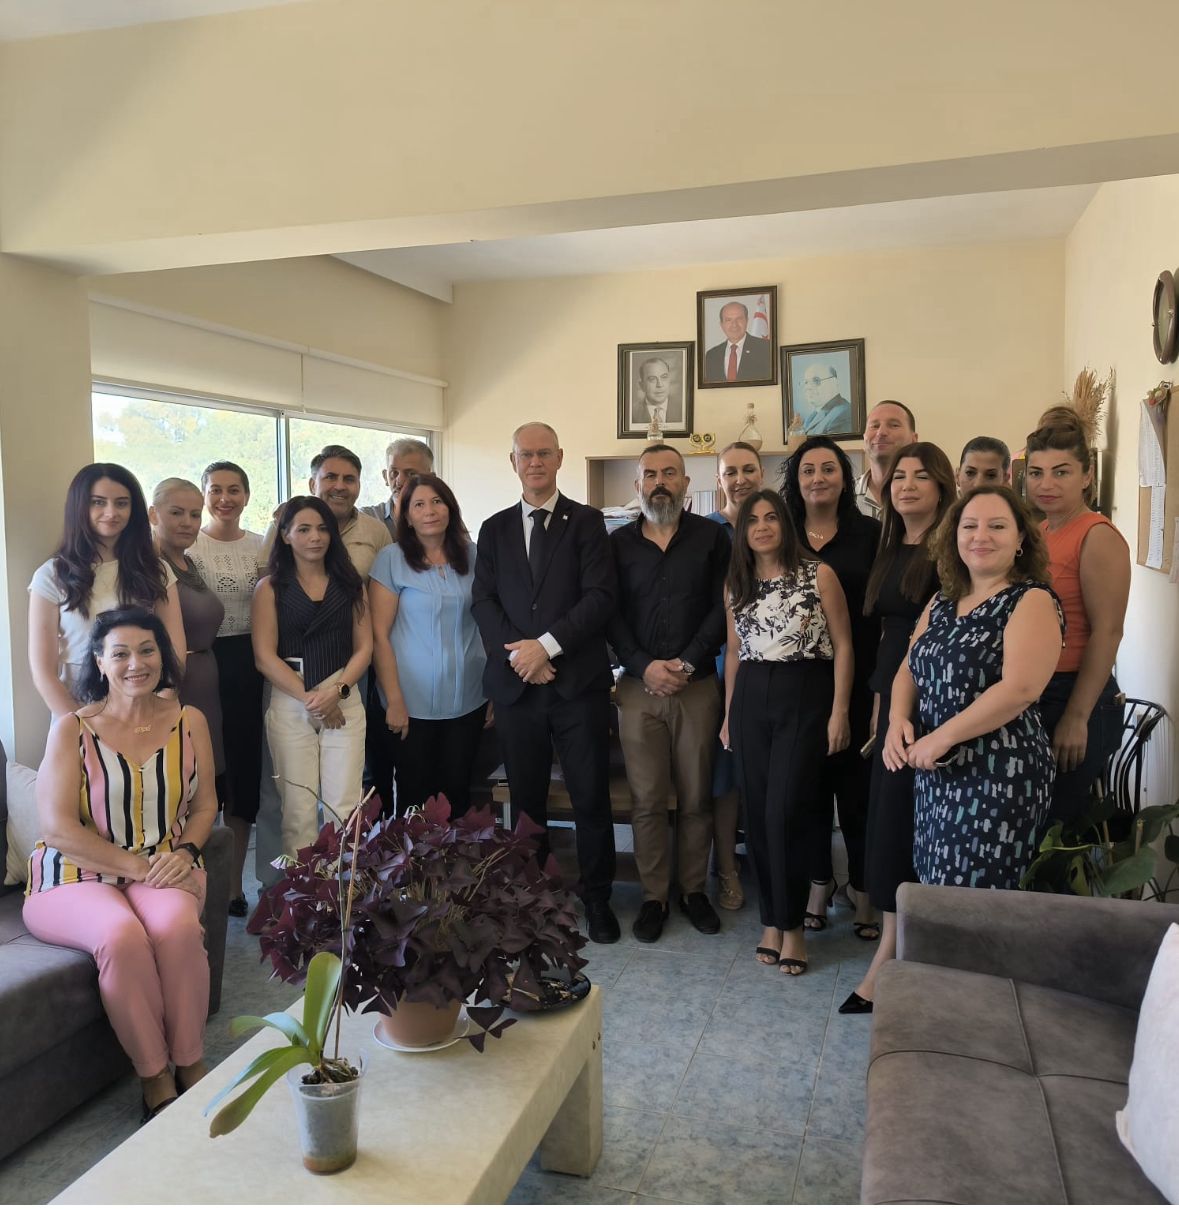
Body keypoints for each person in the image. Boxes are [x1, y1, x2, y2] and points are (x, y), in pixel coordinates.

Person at [23, 607, 217, 1120]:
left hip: (164, 865)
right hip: (72, 874)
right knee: (120, 935)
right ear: (100, 662)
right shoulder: (72, 728)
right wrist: (137, 868)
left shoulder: (189, 722)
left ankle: (190, 1062)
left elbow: (205, 807)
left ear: (163, 657)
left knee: (177, 929)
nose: (136, 663)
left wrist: (185, 852)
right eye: (121, 653)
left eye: (147, 650)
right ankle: (154, 1077)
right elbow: (57, 829)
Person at [471, 422, 620, 945]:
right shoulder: (493, 529)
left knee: (589, 798)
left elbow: (600, 597)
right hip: (518, 688)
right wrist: (522, 656)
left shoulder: (588, 522)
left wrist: (547, 647)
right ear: (513, 462)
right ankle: (533, 901)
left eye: (543, 453)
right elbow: (484, 602)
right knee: (527, 801)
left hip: (577, 685)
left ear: (559, 458)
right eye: (525, 454)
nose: (534, 462)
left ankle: (597, 898)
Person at [883, 486, 1063, 891]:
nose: (981, 536)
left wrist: (941, 738)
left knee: (979, 896)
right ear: (954, 536)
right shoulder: (942, 601)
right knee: (937, 881)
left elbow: (1020, 689)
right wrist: (897, 718)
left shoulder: (1030, 599)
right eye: (969, 526)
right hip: (937, 769)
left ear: (1020, 538)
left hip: (998, 775)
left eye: (997, 526)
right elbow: (908, 668)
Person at [840, 442, 956, 1015]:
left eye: (920, 476)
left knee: (913, 830)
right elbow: (889, 635)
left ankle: (896, 960)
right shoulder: (892, 543)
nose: (906, 485)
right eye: (899, 476)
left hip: (933, 703)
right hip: (892, 696)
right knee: (888, 828)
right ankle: (892, 954)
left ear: (942, 486)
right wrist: (880, 701)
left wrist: (901, 705)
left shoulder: (952, 550)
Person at [721, 490, 853, 975]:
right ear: (743, 531)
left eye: (771, 517)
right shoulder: (736, 582)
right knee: (756, 814)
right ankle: (771, 922)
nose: (762, 526)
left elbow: (843, 645)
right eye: (753, 519)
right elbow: (734, 652)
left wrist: (840, 712)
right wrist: (728, 715)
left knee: (786, 811)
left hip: (805, 692)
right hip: (751, 696)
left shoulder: (819, 574)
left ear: (785, 524)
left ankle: (793, 926)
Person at [608, 445, 730, 942]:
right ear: (637, 485)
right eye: (650, 474)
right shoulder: (617, 544)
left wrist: (687, 661)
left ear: (685, 483)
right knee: (647, 801)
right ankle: (654, 897)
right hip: (637, 689)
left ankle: (693, 891)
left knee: (697, 797)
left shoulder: (712, 538)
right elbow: (610, 613)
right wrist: (644, 666)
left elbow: (724, 606)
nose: (660, 482)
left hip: (696, 686)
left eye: (670, 473)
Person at [255, 446, 390, 884]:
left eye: (322, 529)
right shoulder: (270, 588)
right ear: (285, 535)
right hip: (291, 696)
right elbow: (264, 656)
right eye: (303, 529)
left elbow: (364, 647)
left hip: (343, 695)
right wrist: (311, 698)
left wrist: (337, 692)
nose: (315, 537)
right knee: (297, 810)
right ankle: (303, 902)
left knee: (344, 807)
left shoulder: (350, 584)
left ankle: (342, 900)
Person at [782, 437, 881, 938]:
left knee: (858, 793)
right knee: (809, 794)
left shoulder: (872, 534)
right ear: (795, 481)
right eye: (807, 470)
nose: (818, 478)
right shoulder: (781, 534)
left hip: (860, 682)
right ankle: (818, 884)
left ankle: (863, 889)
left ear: (845, 478)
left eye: (828, 468)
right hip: (799, 686)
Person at [1026, 417, 1130, 826]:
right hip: (1038, 690)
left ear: (1087, 477)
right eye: (1036, 472)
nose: (1046, 484)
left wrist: (1076, 716)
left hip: (1075, 693)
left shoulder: (1097, 535)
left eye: (1061, 472)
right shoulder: (1039, 531)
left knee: (1057, 831)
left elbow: (1108, 631)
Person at [369, 473, 489, 814]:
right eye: (419, 504)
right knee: (415, 797)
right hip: (410, 704)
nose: (430, 511)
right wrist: (394, 701)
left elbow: (488, 623)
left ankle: (460, 853)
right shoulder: (391, 559)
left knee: (459, 792)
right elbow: (379, 635)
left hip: (469, 698)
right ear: (406, 516)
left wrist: (494, 688)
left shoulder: (474, 556)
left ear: (450, 508)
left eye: (437, 502)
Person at [29, 463, 186, 719]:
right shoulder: (51, 575)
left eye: (122, 503)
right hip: (79, 711)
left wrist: (159, 707)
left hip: (147, 709)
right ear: (79, 506)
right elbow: (43, 672)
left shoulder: (156, 570)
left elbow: (175, 652)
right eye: (98, 502)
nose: (111, 512)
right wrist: (82, 727)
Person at [189, 460, 266, 916]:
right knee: (202, 776)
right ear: (204, 495)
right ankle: (197, 886)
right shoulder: (186, 545)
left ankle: (234, 886)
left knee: (241, 776)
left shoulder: (262, 545)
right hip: (200, 663)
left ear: (246, 495)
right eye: (215, 489)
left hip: (249, 666)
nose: (224, 498)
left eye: (233, 489)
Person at [704, 441, 765, 910]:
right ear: (719, 479)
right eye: (731, 472)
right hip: (722, 663)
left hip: (772, 666)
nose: (740, 479)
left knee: (766, 775)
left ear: (762, 475)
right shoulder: (707, 532)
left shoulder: (775, 524)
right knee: (725, 780)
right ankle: (726, 868)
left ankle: (769, 862)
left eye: (748, 470)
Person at [150, 478, 226, 783]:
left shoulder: (189, 563)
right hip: (173, 686)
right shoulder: (150, 568)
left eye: (195, 515)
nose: (188, 522)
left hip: (206, 683)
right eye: (176, 513)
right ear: (153, 514)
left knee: (208, 781)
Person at [361, 437, 435, 541]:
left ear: (431, 478)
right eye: (394, 473)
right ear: (385, 477)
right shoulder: (366, 518)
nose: (399, 481)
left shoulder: (442, 519)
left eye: (411, 474)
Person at [855, 401, 918, 519]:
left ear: (914, 439)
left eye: (894, 425)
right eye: (874, 426)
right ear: (864, 438)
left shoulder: (932, 494)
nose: (881, 432)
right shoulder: (843, 495)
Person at [703, 301, 773, 383]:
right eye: (728, 320)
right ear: (721, 325)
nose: (734, 325)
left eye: (739, 319)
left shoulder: (766, 349)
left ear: (747, 321)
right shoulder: (711, 356)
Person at [799, 363, 853, 435]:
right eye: (806, 382)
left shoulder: (843, 414)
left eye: (816, 381)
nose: (808, 387)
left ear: (834, 382)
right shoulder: (812, 416)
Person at [632, 356, 678, 433]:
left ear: (669, 380)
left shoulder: (681, 408)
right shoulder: (632, 413)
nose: (659, 385)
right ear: (642, 385)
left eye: (664, 377)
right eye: (652, 379)